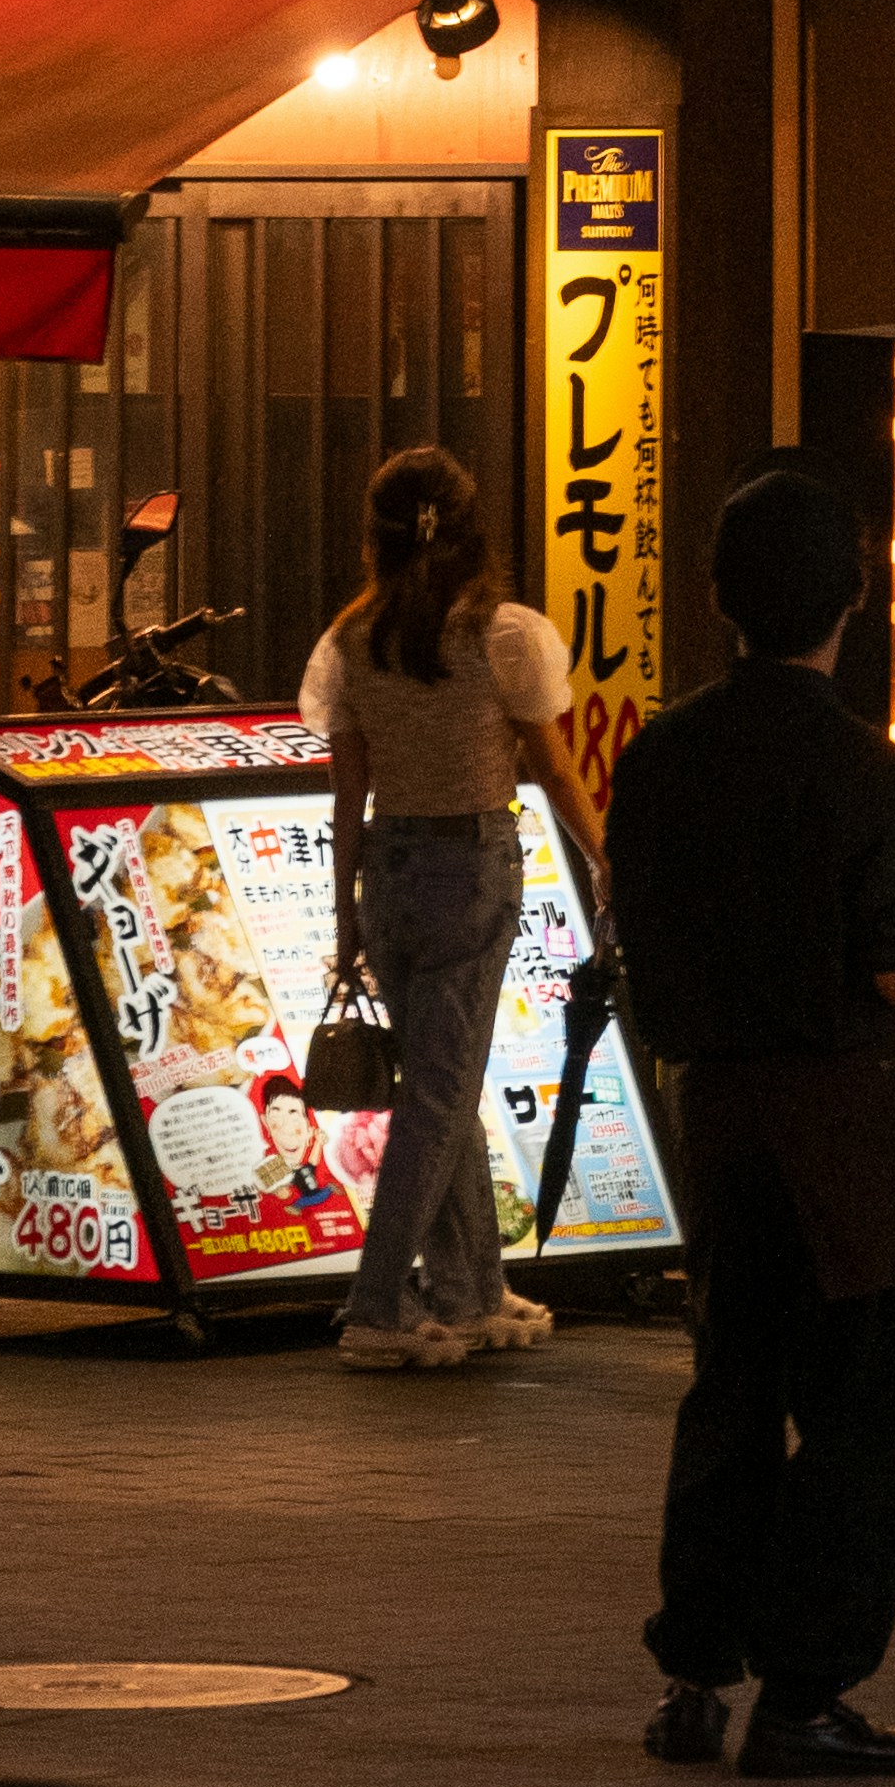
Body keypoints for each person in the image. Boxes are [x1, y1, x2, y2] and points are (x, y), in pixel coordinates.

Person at [600, 460, 895, 1782]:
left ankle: (696, 1672)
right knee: (867, 1407)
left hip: (716, 1111)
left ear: (717, 599)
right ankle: (807, 1691)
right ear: (854, 600)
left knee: (733, 1388)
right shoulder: (873, 771)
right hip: (844, 1120)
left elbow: (636, 937)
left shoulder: (656, 759)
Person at [305, 441, 600, 1374]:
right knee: (439, 1093)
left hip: (388, 872)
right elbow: (552, 769)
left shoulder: (352, 640)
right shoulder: (504, 635)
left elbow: (347, 794)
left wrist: (346, 912)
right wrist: (607, 857)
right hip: (471, 865)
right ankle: (379, 1305)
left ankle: (472, 1291)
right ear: (471, 528)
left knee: (445, 1081)